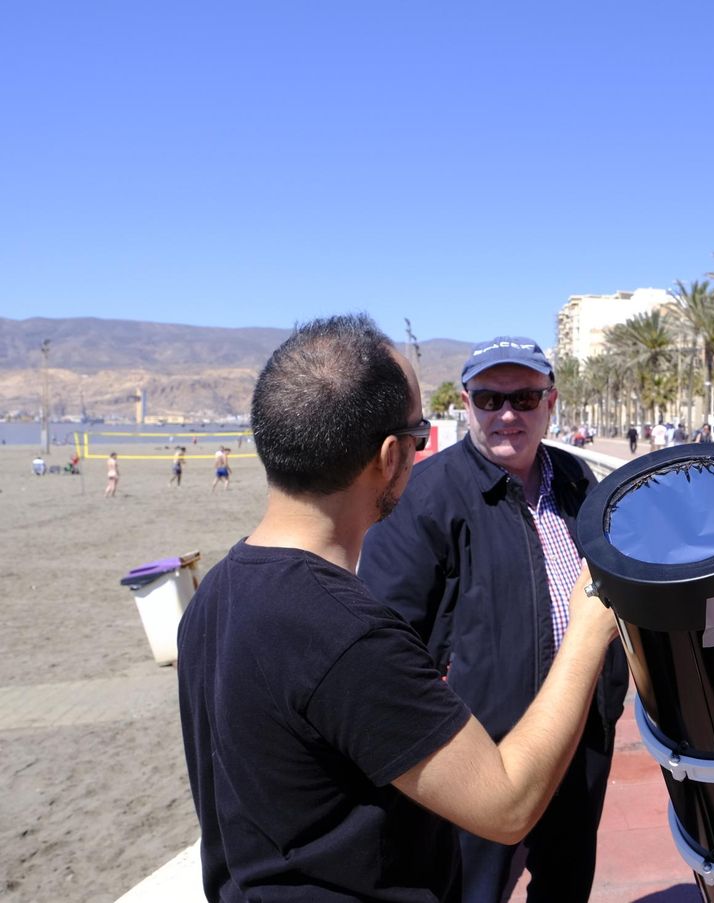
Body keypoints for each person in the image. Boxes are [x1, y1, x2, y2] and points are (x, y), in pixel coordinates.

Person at [177, 315, 619, 901]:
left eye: (525, 398)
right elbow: (508, 804)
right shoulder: (349, 636)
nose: (507, 413)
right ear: (392, 456)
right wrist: (591, 624)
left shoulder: (212, 595)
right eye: (418, 433)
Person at [359, 335, 629, 903]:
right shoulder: (422, 497)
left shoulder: (578, 481)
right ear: (466, 403)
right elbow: (386, 642)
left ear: (550, 402)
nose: (507, 415)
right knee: (471, 891)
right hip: (479, 756)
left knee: (566, 884)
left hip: (580, 734)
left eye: (525, 398)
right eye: (489, 399)